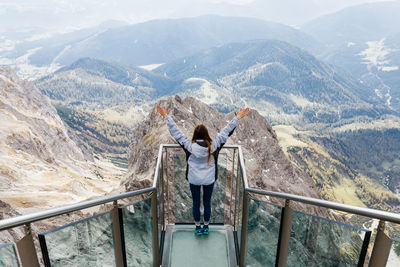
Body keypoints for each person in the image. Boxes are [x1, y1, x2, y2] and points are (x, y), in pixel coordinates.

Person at [157, 105, 250, 235]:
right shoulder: (215, 145)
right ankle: (206, 227)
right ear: (207, 135)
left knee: (196, 203)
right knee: (207, 203)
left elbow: (176, 132)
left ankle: (197, 227)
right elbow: (226, 132)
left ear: (195, 135)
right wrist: (237, 117)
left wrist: (166, 116)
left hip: (194, 179)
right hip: (209, 179)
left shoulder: (189, 146)